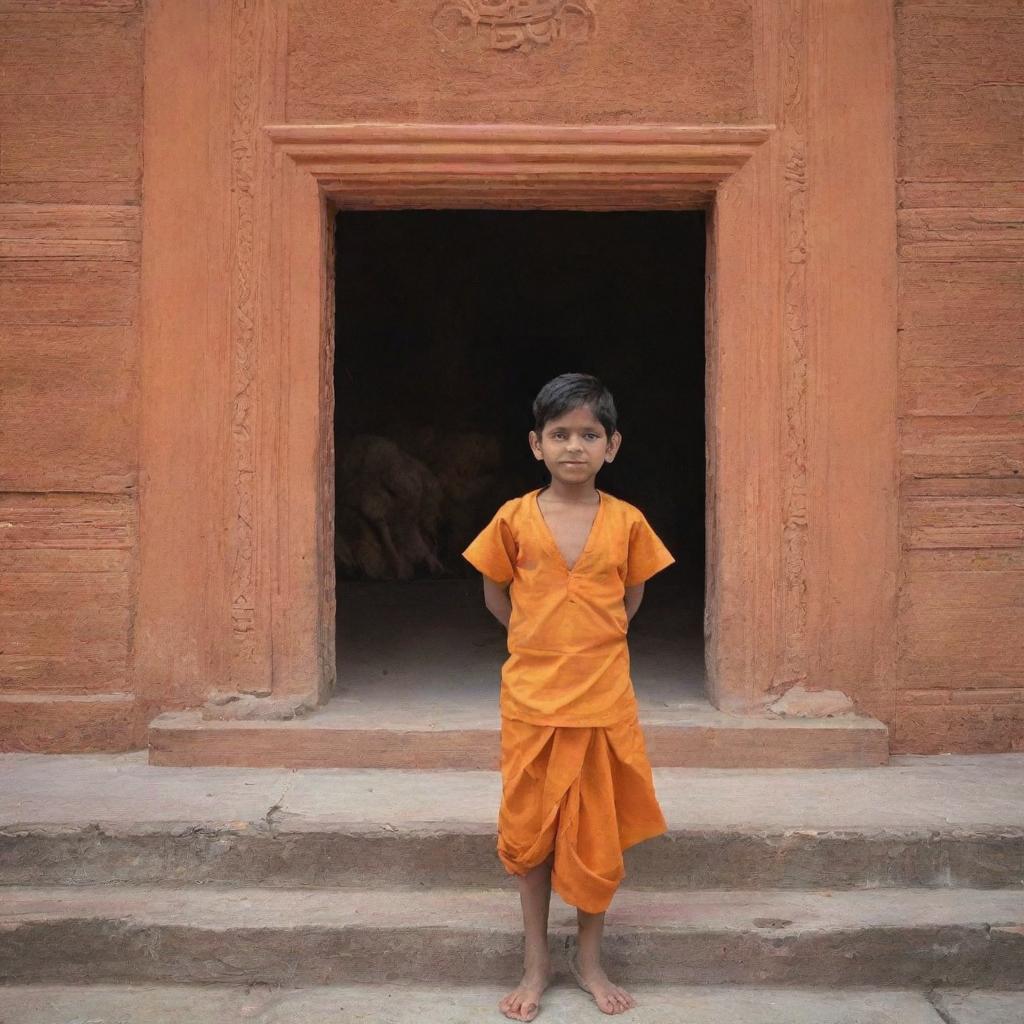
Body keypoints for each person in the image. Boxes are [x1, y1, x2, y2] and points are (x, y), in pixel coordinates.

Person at [462, 372, 675, 1020]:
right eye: (560, 434)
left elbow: (631, 597)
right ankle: (536, 964)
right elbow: (495, 591)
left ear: (612, 446)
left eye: (589, 434)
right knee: (531, 836)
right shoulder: (513, 518)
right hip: (532, 697)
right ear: (536, 444)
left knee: (593, 835)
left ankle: (589, 960)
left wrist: (592, 641)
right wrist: (535, 638)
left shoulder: (628, 522)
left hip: (601, 698)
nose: (573, 446)